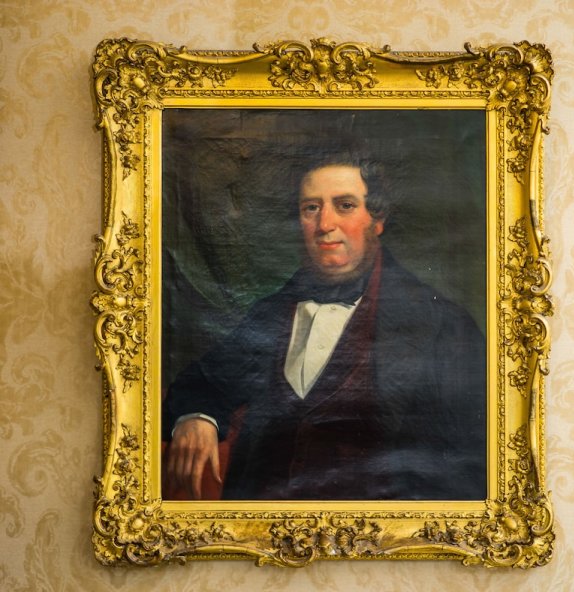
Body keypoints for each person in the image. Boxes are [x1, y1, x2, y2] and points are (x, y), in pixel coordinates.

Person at [163, 153, 486, 501]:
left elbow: (467, 470)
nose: (324, 224)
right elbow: (203, 380)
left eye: (345, 205)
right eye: (311, 208)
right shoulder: (271, 312)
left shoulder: (441, 325)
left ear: (377, 219)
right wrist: (197, 417)